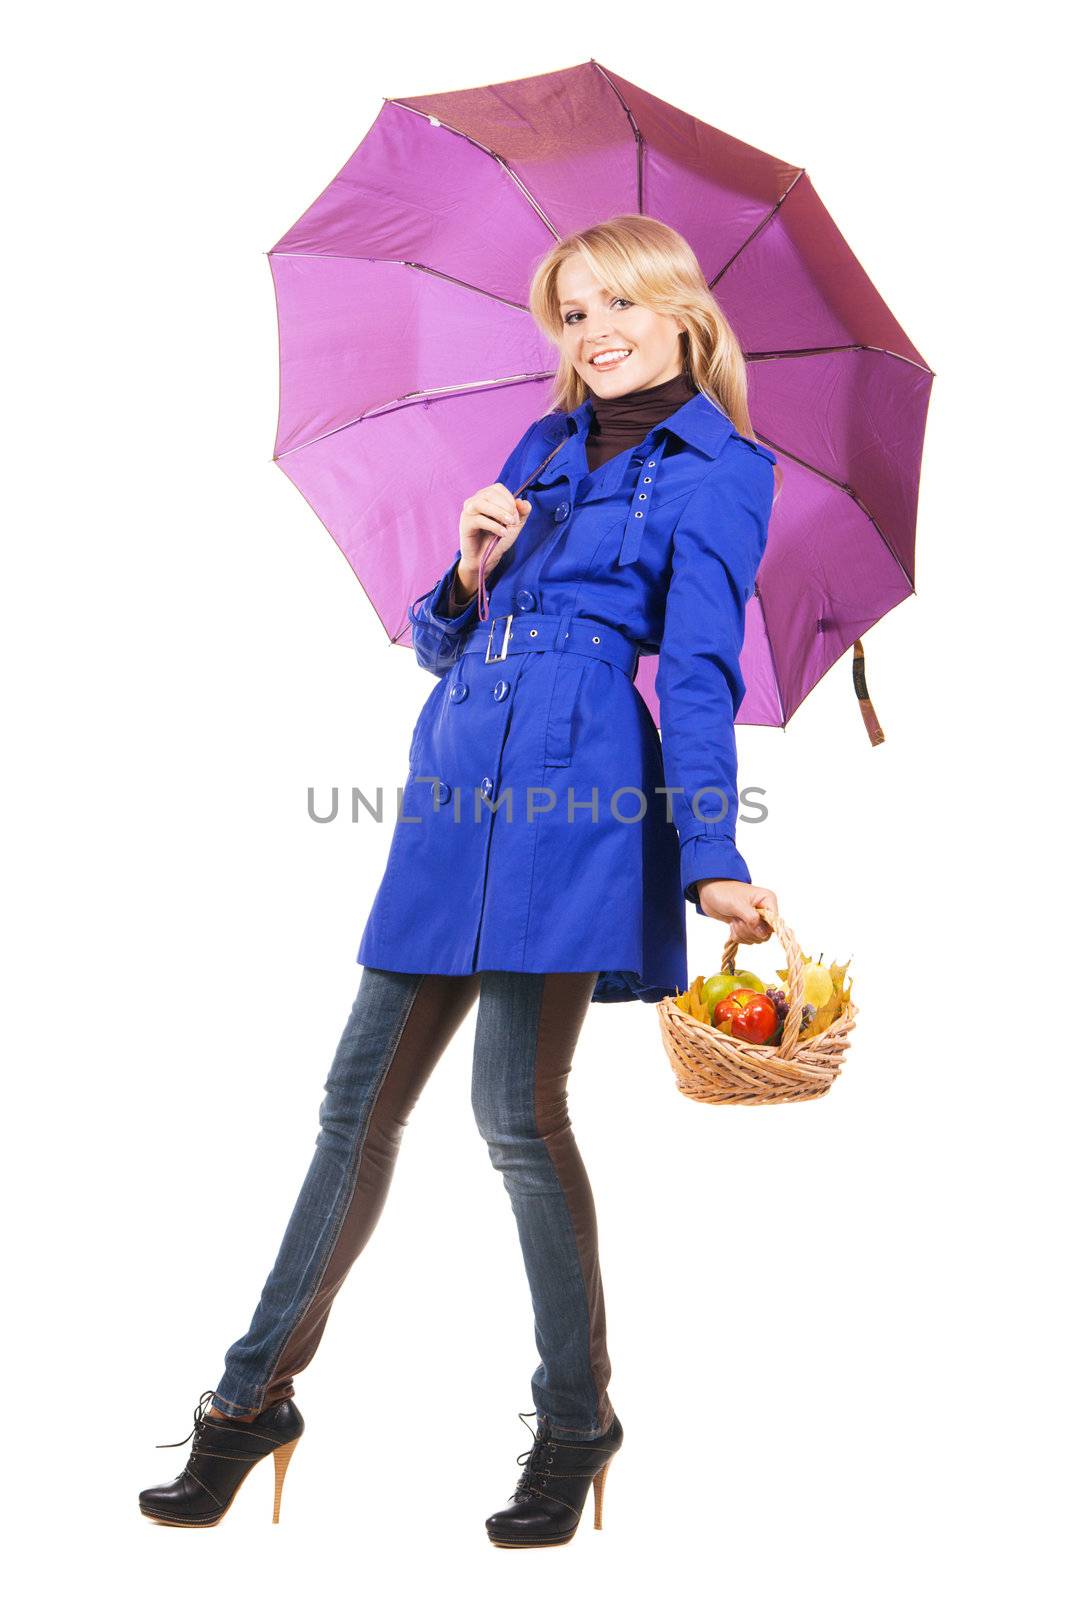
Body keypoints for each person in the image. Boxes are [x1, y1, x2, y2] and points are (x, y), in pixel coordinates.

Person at [139, 214, 780, 1548]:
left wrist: (712, 859)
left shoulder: (722, 470)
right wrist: (468, 567)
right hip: (455, 772)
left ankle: (576, 1418)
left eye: (618, 303)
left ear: (679, 314)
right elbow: (446, 639)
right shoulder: (541, 444)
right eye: (572, 308)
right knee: (352, 1104)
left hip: (580, 783)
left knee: (513, 1112)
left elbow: (704, 675)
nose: (593, 329)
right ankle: (249, 1400)